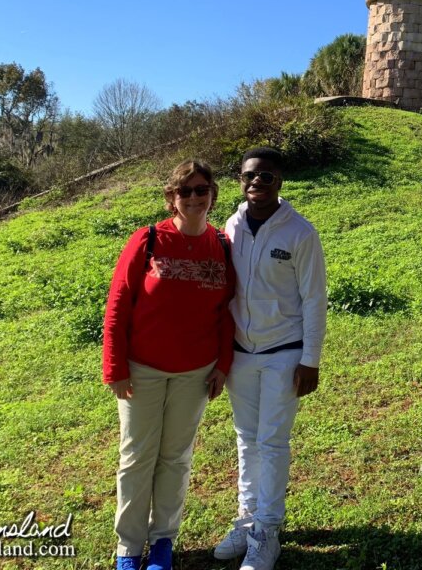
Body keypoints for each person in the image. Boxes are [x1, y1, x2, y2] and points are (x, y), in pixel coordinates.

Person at [103, 159, 236, 570]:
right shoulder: (147, 241)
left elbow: (229, 311)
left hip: (196, 371)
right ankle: (129, 547)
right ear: (171, 199)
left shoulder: (222, 246)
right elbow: (118, 305)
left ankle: (163, 540)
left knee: (175, 458)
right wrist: (115, 367)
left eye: (202, 190)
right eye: (186, 191)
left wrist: (223, 365)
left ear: (212, 194)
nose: (194, 197)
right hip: (141, 370)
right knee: (137, 457)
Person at [213, 146, 327, 570]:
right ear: (240, 180)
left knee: (272, 441)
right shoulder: (233, 223)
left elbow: (314, 299)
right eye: (249, 176)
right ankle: (246, 521)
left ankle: (267, 531)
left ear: (280, 181)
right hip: (242, 353)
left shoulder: (299, 232)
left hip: (284, 353)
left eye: (266, 177)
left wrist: (309, 359)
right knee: (246, 439)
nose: (256, 183)